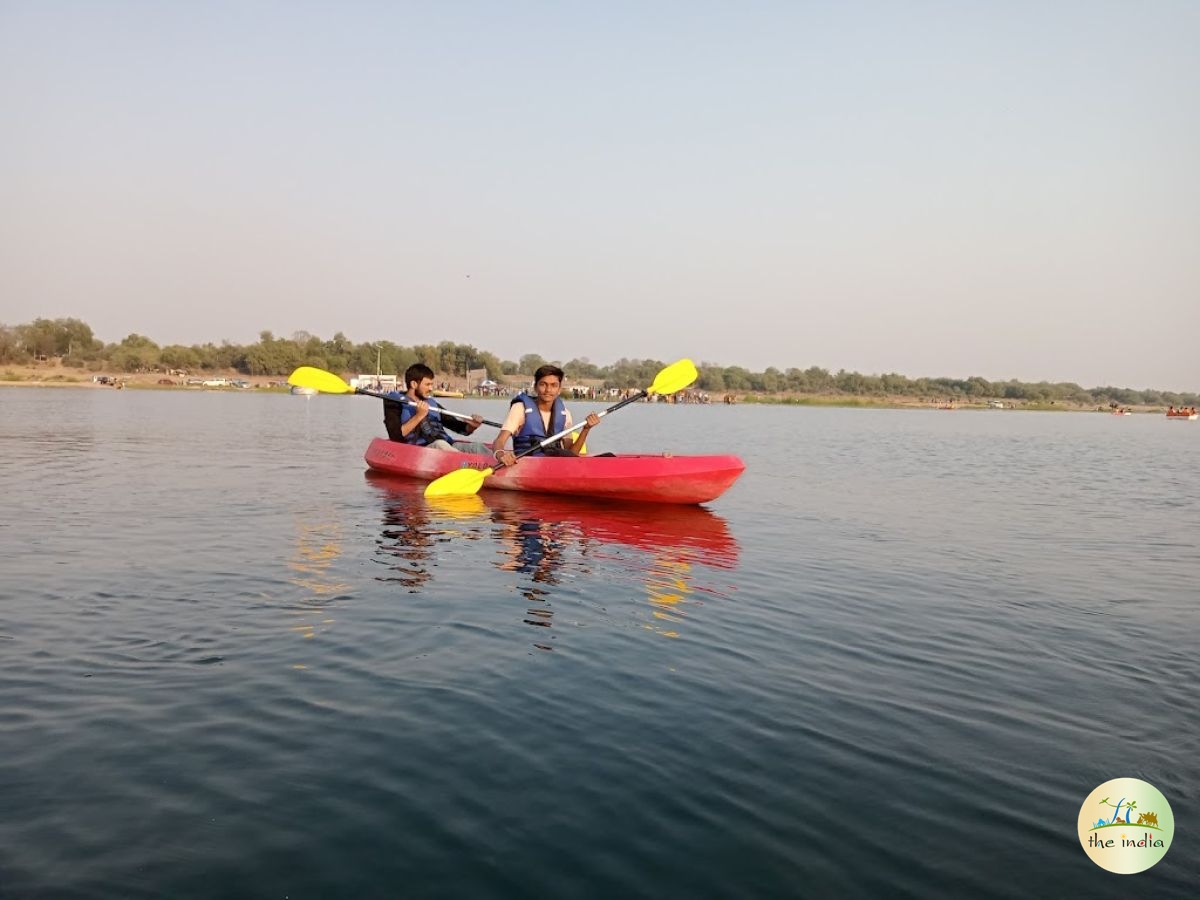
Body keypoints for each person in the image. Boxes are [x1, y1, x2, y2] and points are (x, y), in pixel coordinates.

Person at [491, 365, 601, 466]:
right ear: (535, 387)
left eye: (553, 385)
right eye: (543, 384)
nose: (548, 390)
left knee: (608, 456)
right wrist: (501, 455)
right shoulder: (520, 408)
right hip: (527, 463)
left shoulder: (565, 414)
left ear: (559, 390)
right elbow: (499, 441)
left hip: (554, 464)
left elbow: (571, 455)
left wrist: (586, 429)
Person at [384, 363, 492, 453]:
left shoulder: (431, 403)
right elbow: (395, 436)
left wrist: (472, 426)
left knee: (478, 448)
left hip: (446, 447)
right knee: (441, 445)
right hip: (419, 450)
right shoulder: (395, 403)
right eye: (427, 384)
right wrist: (419, 416)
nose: (431, 388)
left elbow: (456, 426)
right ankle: (467, 465)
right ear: (414, 384)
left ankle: (498, 465)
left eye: (431, 384)